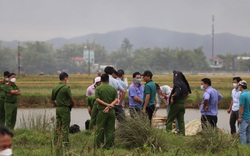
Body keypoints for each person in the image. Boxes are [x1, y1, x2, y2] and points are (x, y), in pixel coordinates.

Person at [51, 72, 75, 155]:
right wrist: (71, 106)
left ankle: (56, 140)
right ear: (65, 78)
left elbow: (52, 99)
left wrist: (56, 105)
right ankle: (65, 142)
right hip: (65, 109)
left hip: (58, 108)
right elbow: (71, 100)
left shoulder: (55, 87)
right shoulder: (66, 88)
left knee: (58, 125)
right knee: (65, 126)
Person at [95, 73, 118, 149]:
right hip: (111, 111)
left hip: (102, 111)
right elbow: (116, 99)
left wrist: (106, 105)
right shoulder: (113, 89)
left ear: (101, 80)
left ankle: (99, 146)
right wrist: (110, 105)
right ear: (108, 80)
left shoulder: (98, 88)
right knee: (110, 129)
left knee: (100, 129)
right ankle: (108, 146)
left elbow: (97, 99)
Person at [166, 71, 191, 135]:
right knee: (181, 120)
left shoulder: (177, 83)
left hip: (176, 104)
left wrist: (172, 97)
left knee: (170, 119)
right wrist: (182, 99)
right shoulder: (184, 84)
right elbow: (188, 95)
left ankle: (168, 133)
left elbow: (178, 91)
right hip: (182, 104)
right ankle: (182, 133)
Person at [237, 80, 250, 145]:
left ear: (241, 86)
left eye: (239, 86)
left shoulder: (242, 95)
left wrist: (240, 117)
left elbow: (241, 107)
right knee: (249, 132)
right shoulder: (249, 93)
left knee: (242, 132)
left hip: (244, 117)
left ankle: (243, 146)